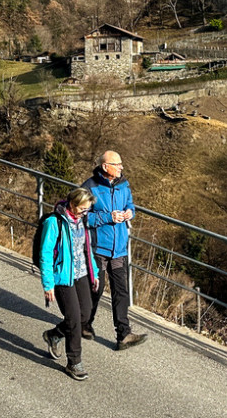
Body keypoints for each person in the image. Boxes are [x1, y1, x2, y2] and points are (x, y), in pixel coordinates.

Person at [83, 150, 147, 351]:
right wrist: (107, 217)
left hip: (119, 249)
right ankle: (84, 323)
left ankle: (123, 334)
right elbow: (81, 216)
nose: (121, 167)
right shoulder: (89, 187)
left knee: (121, 291)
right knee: (96, 289)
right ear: (105, 167)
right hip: (98, 248)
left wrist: (130, 213)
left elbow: (130, 205)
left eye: (121, 164)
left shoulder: (123, 184)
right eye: (117, 164)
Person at [39, 187, 99, 381]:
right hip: (63, 276)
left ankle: (54, 334)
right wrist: (48, 284)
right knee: (73, 319)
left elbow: (86, 249)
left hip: (81, 274)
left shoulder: (82, 220)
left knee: (85, 315)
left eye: (87, 209)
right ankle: (74, 362)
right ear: (72, 204)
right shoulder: (54, 222)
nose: (85, 213)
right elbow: (46, 253)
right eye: (82, 209)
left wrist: (94, 272)